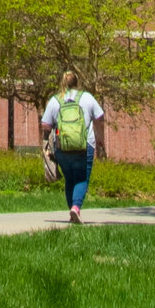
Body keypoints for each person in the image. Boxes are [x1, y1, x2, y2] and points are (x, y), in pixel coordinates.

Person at [41, 80, 105, 225]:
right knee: (82, 178)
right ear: (77, 83)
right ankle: (76, 208)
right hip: (85, 145)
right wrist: (100, 138)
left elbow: (45, 124)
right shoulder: (87, 97)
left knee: (70, 178)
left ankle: (72, 211)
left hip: (62, 146)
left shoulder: (55, 100)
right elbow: (100, 117)